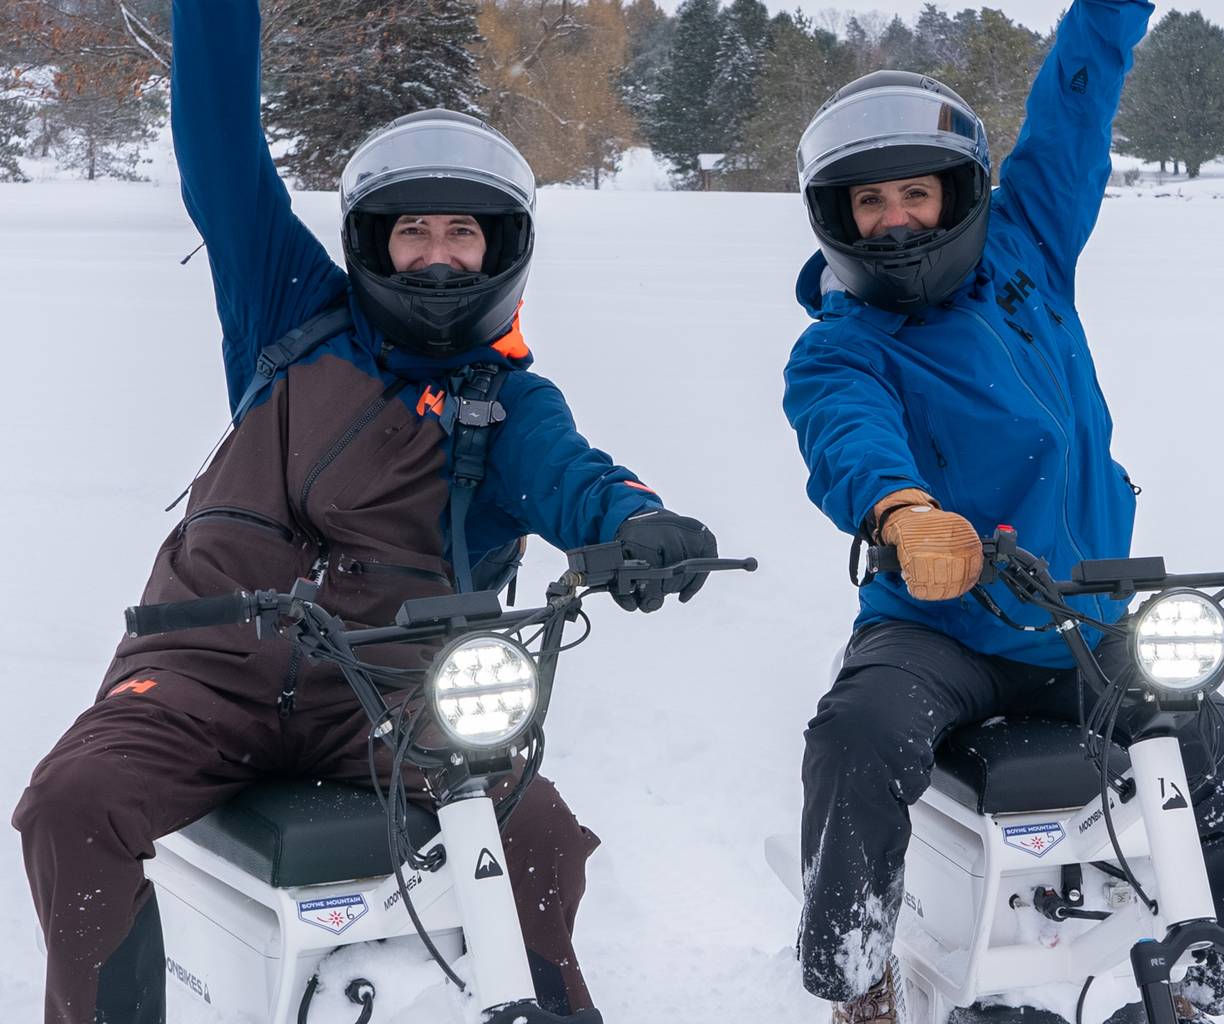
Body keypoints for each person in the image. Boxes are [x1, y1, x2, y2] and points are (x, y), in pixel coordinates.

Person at [11, 2, 719, 1022]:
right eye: (411, 231)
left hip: (396, 697)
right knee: (72, 802)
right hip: (204, 670)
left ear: (499, 249)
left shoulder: (508, 398)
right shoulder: (287, 312)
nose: (435, 256)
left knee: (537, 832)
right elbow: (220, 154)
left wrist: (639, 525)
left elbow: (580, 479)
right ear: (370, 243)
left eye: (460, 233)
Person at [783, 4, 1224, 1023]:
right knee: (858, 731)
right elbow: (846, 436)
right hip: (939, 628)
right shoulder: (841, 345)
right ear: (839, 219)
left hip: (1083, 623)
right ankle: (857, 982)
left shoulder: (1027, 247)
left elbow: (1074, 100)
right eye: (871, 201)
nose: (895, 219)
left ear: (959, 194)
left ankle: (1191, 998)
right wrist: (902, 513)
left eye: (915, 194)